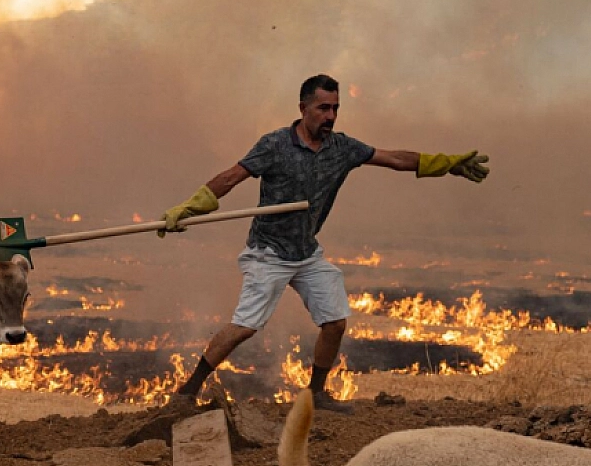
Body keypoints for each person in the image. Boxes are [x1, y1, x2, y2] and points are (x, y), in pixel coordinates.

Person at [159, 74, 487, 414]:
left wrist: (447, 164)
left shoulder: (342, 149)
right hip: (268, 253)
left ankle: (316, 393)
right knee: (244, 327)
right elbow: (231, 177)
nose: (330, 116)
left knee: (335, 322)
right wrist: (190, 207)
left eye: (335, 109)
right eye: (323, 108)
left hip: (307, 253)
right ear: (303, 109)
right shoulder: (275, 145)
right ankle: (188, 391)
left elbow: (394, 159)